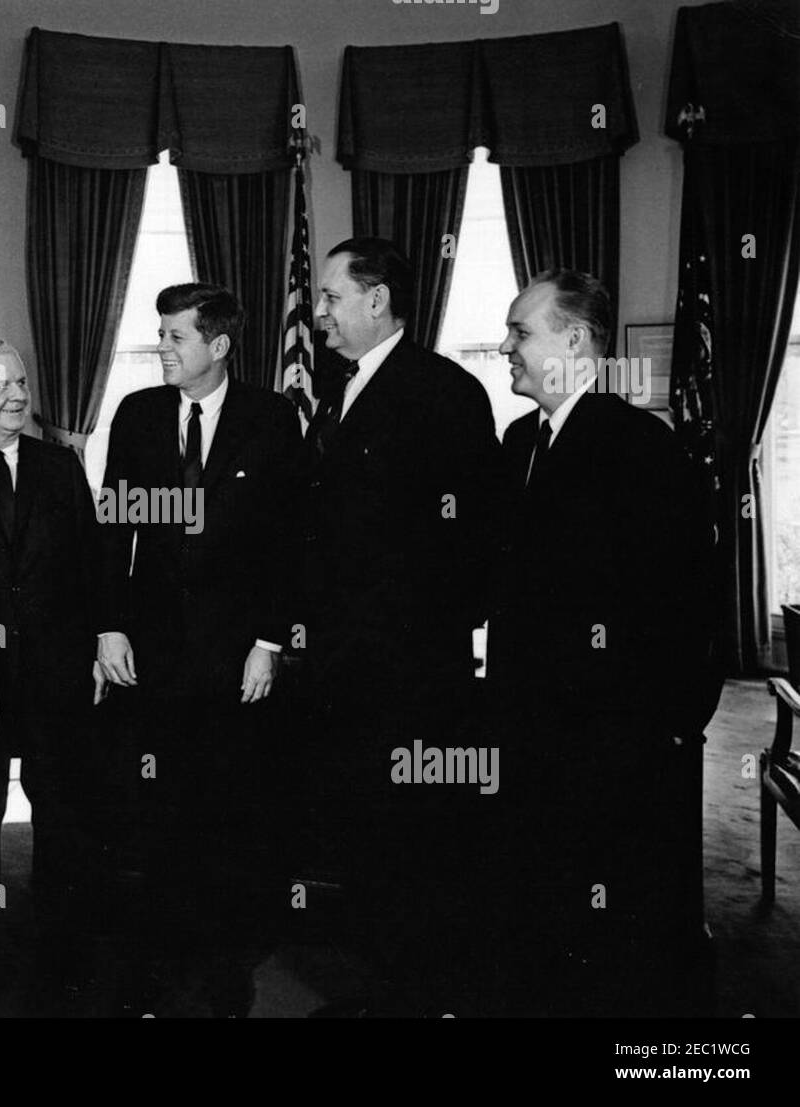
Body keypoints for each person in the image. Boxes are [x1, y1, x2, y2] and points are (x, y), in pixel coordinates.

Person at [486, 269, 720, 1015]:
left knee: (632, 935)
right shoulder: (522, 439)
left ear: (577, 340)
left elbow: (683, 609)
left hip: (620, 743)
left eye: (521, 332)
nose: (506, 347)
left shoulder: (638, 447)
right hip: (538, 732)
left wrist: (662, 733)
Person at [303, 237, 503, 1015]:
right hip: (346, 673)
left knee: (417, 839)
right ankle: (381, 986)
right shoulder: (337, 386)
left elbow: (474, 538)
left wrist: (417, 638)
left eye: (330, 296)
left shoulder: (443, 391)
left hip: (412, 677)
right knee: (364, 834)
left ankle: (420, 995)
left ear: (377, 299)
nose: (318, 312)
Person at [98, 282, 302, 1017]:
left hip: (234, 658)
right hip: (152, 652)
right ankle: (162, 948)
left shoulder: (270, 418)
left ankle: (230, 954)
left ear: (217, 346)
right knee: (157, 801)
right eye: (161, 334)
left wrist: (268, 641)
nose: (163, 348)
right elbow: (115, 525)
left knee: (231, 805)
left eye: (176, 336)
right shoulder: (138, 415)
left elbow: (289, 542)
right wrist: (109, 624)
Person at [0, 336, 107, 1001]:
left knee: (64, 814)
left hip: (57, 670)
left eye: (20, 381)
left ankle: (64, 953)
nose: (17, 394)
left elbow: (94, 562)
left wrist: (104, 638)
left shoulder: (60, 465)